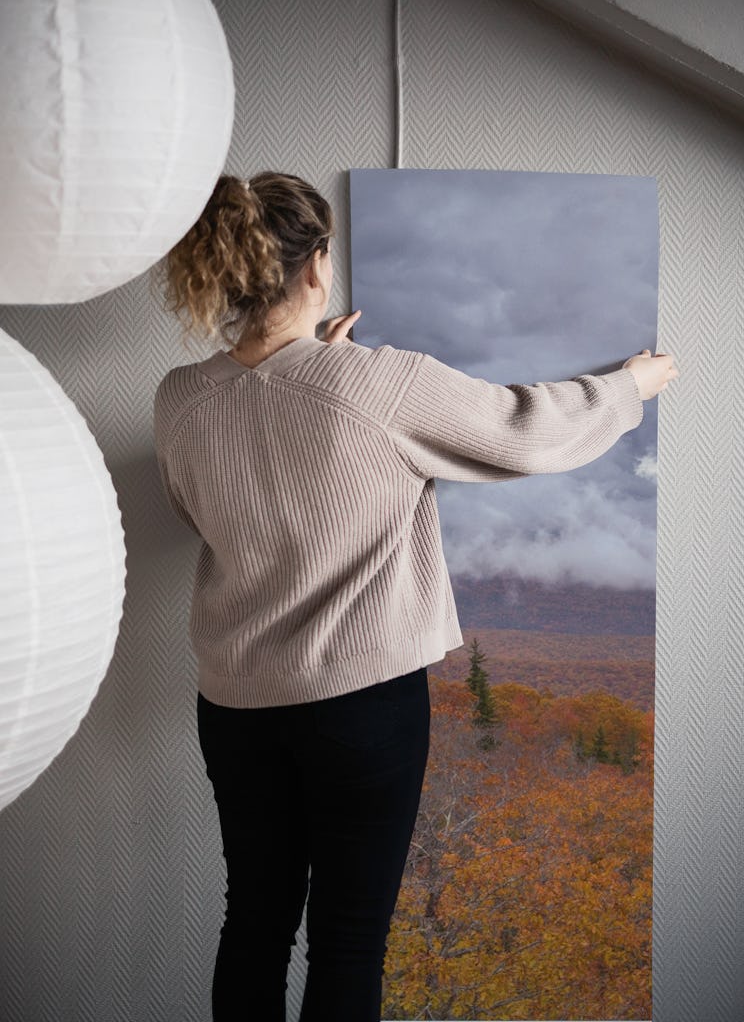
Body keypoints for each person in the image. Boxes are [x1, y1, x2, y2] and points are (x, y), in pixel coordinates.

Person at [151, 171, 678, 1022]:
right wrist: (631, 387)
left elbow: (198, 507)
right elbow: (523, 427)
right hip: (360, 709)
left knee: (253, 923)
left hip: (235, 706)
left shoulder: (178, 399)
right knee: (350, 940)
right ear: (317, 266)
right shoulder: (374, 382)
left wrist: (317, 369)